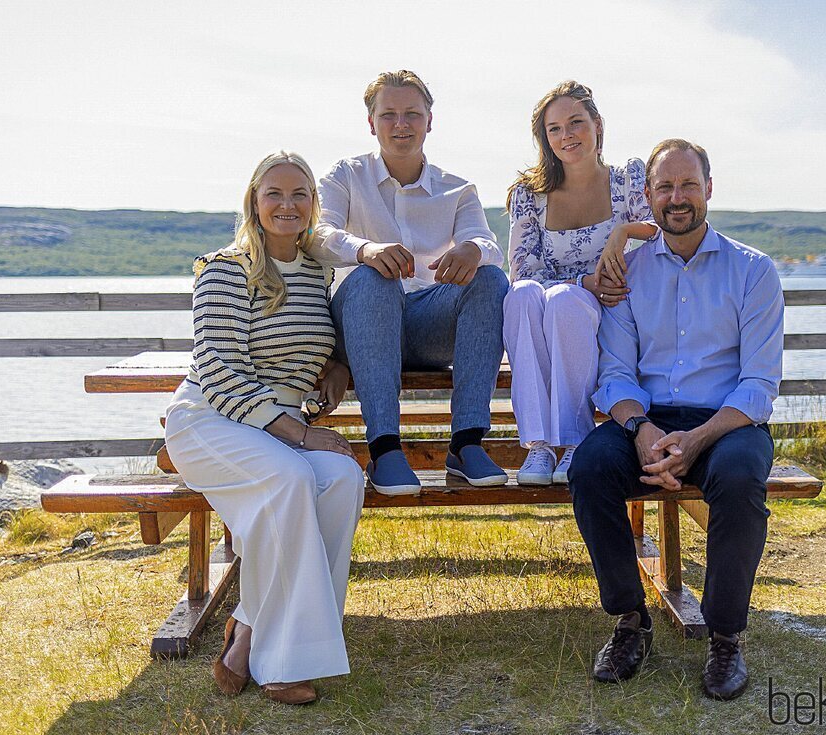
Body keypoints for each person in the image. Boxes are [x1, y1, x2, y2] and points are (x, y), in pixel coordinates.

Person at [568, 139, 784, 700]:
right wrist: (643, 430)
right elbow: (613, 375)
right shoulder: (628, 272)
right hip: (649, 419)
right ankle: (630, 622)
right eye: (665, 187)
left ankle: (725, 635)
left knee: (738, 481)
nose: (677, 197)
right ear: (647, 197)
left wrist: (699, 438)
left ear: (709, 189)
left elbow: (760, 384)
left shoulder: (753, 271)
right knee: (590, 469)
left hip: (727, 422)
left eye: (688, 184)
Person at [164, 152, 365, 705]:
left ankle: (251, 627)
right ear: (254, 201)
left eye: (299, 193)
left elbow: (305, 342)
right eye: (273, 193)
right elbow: (220, 369)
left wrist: (334, 365)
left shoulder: (319, 270)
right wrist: (298, 434)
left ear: (313, 205)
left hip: (276, 425)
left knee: (343, 478)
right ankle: (281, 661)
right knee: (290, 478)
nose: (286, 204)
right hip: (212, 419)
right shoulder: (223, 267)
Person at [311, 69, 509, 496]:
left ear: (430, 120)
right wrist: (366, 249)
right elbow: (318, 234)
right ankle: (384, 450)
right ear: (371, 123)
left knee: (490, 279)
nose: (401, 124)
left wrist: (472, 250)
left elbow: (487, 243)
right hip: (359, 326)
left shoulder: (458, 190)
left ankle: (466, 445)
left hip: (422, 328)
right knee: (374, 276)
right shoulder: (344, 176)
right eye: (389, 115)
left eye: (412, 114)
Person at [504, 81, 657, 485]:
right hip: (559, 305)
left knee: (564, 302)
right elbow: (522, 269)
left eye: (576, 123)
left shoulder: (627, 179)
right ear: (545, 139)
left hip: (614, 307)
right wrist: (581, 280)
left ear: (597, 125)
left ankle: (575, 439)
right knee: (523, 295)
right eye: (554, 129)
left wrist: (623, 232)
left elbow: (660, 229)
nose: (566, 135)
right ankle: (538, 446)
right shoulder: (529, 194)